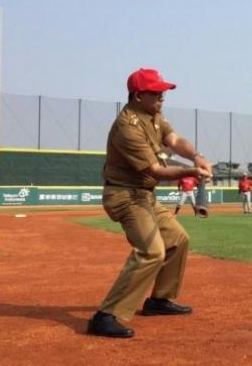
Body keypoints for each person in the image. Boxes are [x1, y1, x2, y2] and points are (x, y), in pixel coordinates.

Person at [88, 68, 212, 338]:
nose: (162, 97)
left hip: (144, 196)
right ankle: (105, 316)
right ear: (137, 96)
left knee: (177, 239)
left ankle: (159, 300)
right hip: (125, 196)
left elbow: (174, 140)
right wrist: (191, 171)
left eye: (162, 92)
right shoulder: (127, 127)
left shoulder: (153, 115)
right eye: (156, 93)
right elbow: (155, 170)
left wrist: (196, 156)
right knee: (151, 251)